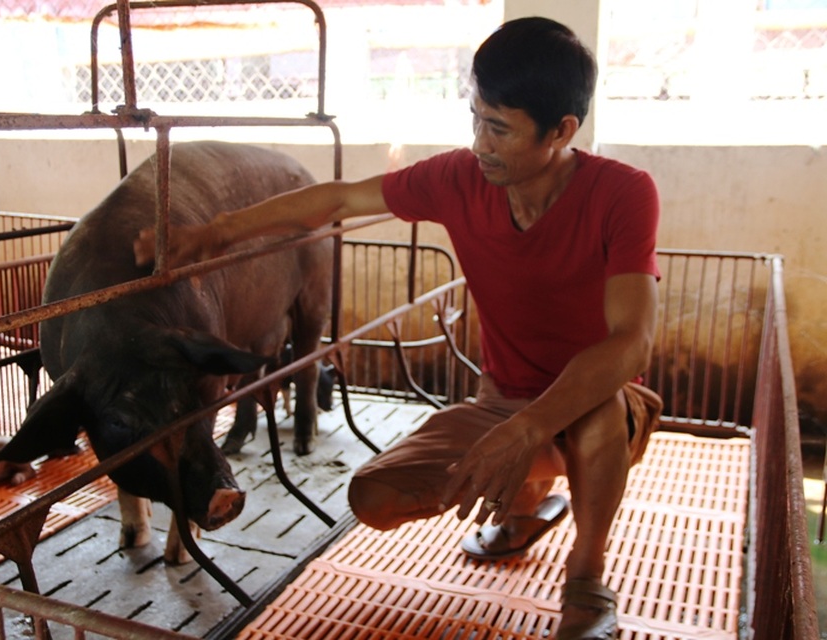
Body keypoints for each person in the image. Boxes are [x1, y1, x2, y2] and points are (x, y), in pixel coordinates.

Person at [134, 16, 662, 640]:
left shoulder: (623, 194)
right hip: (503, 401)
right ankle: (528, 503)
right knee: (373, 499)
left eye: (499, 128)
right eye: (475, 118)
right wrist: (212, 232)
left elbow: (630, 340)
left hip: (598, 406)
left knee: (595, 415)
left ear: (562, 131)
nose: (479, 144)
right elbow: (338, 198)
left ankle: (587, 576)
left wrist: (531, 427)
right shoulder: (460, 180)